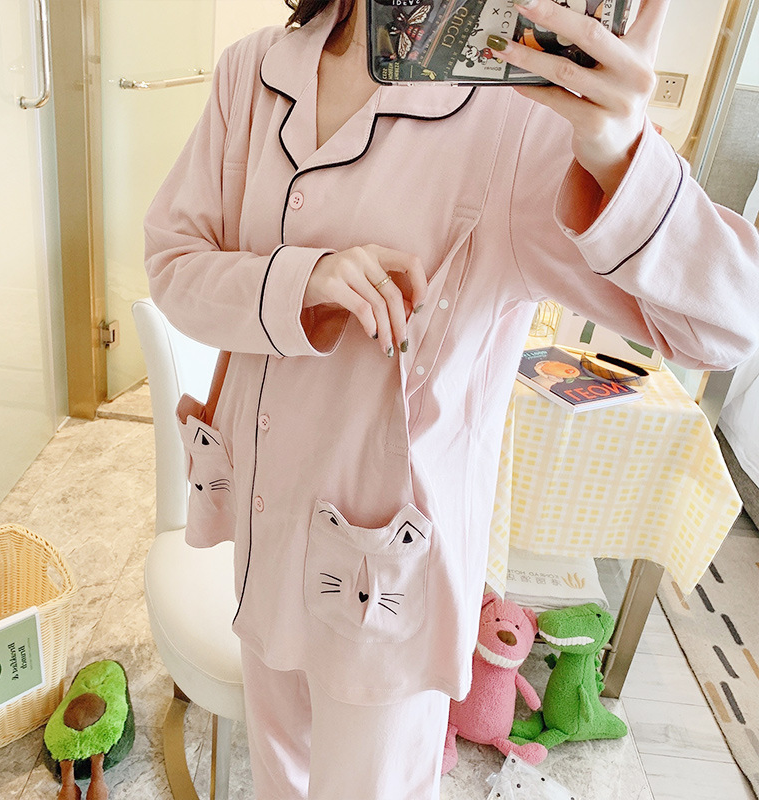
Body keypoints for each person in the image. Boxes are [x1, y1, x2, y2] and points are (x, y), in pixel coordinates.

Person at [144, 0, 759, 797]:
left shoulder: (520, 120)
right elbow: (175, 263)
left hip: (385, 588)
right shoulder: (254, 72)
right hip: (264, 539)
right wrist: (307, 281)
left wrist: (619, 154)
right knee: (277, 778)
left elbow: (728, 322)